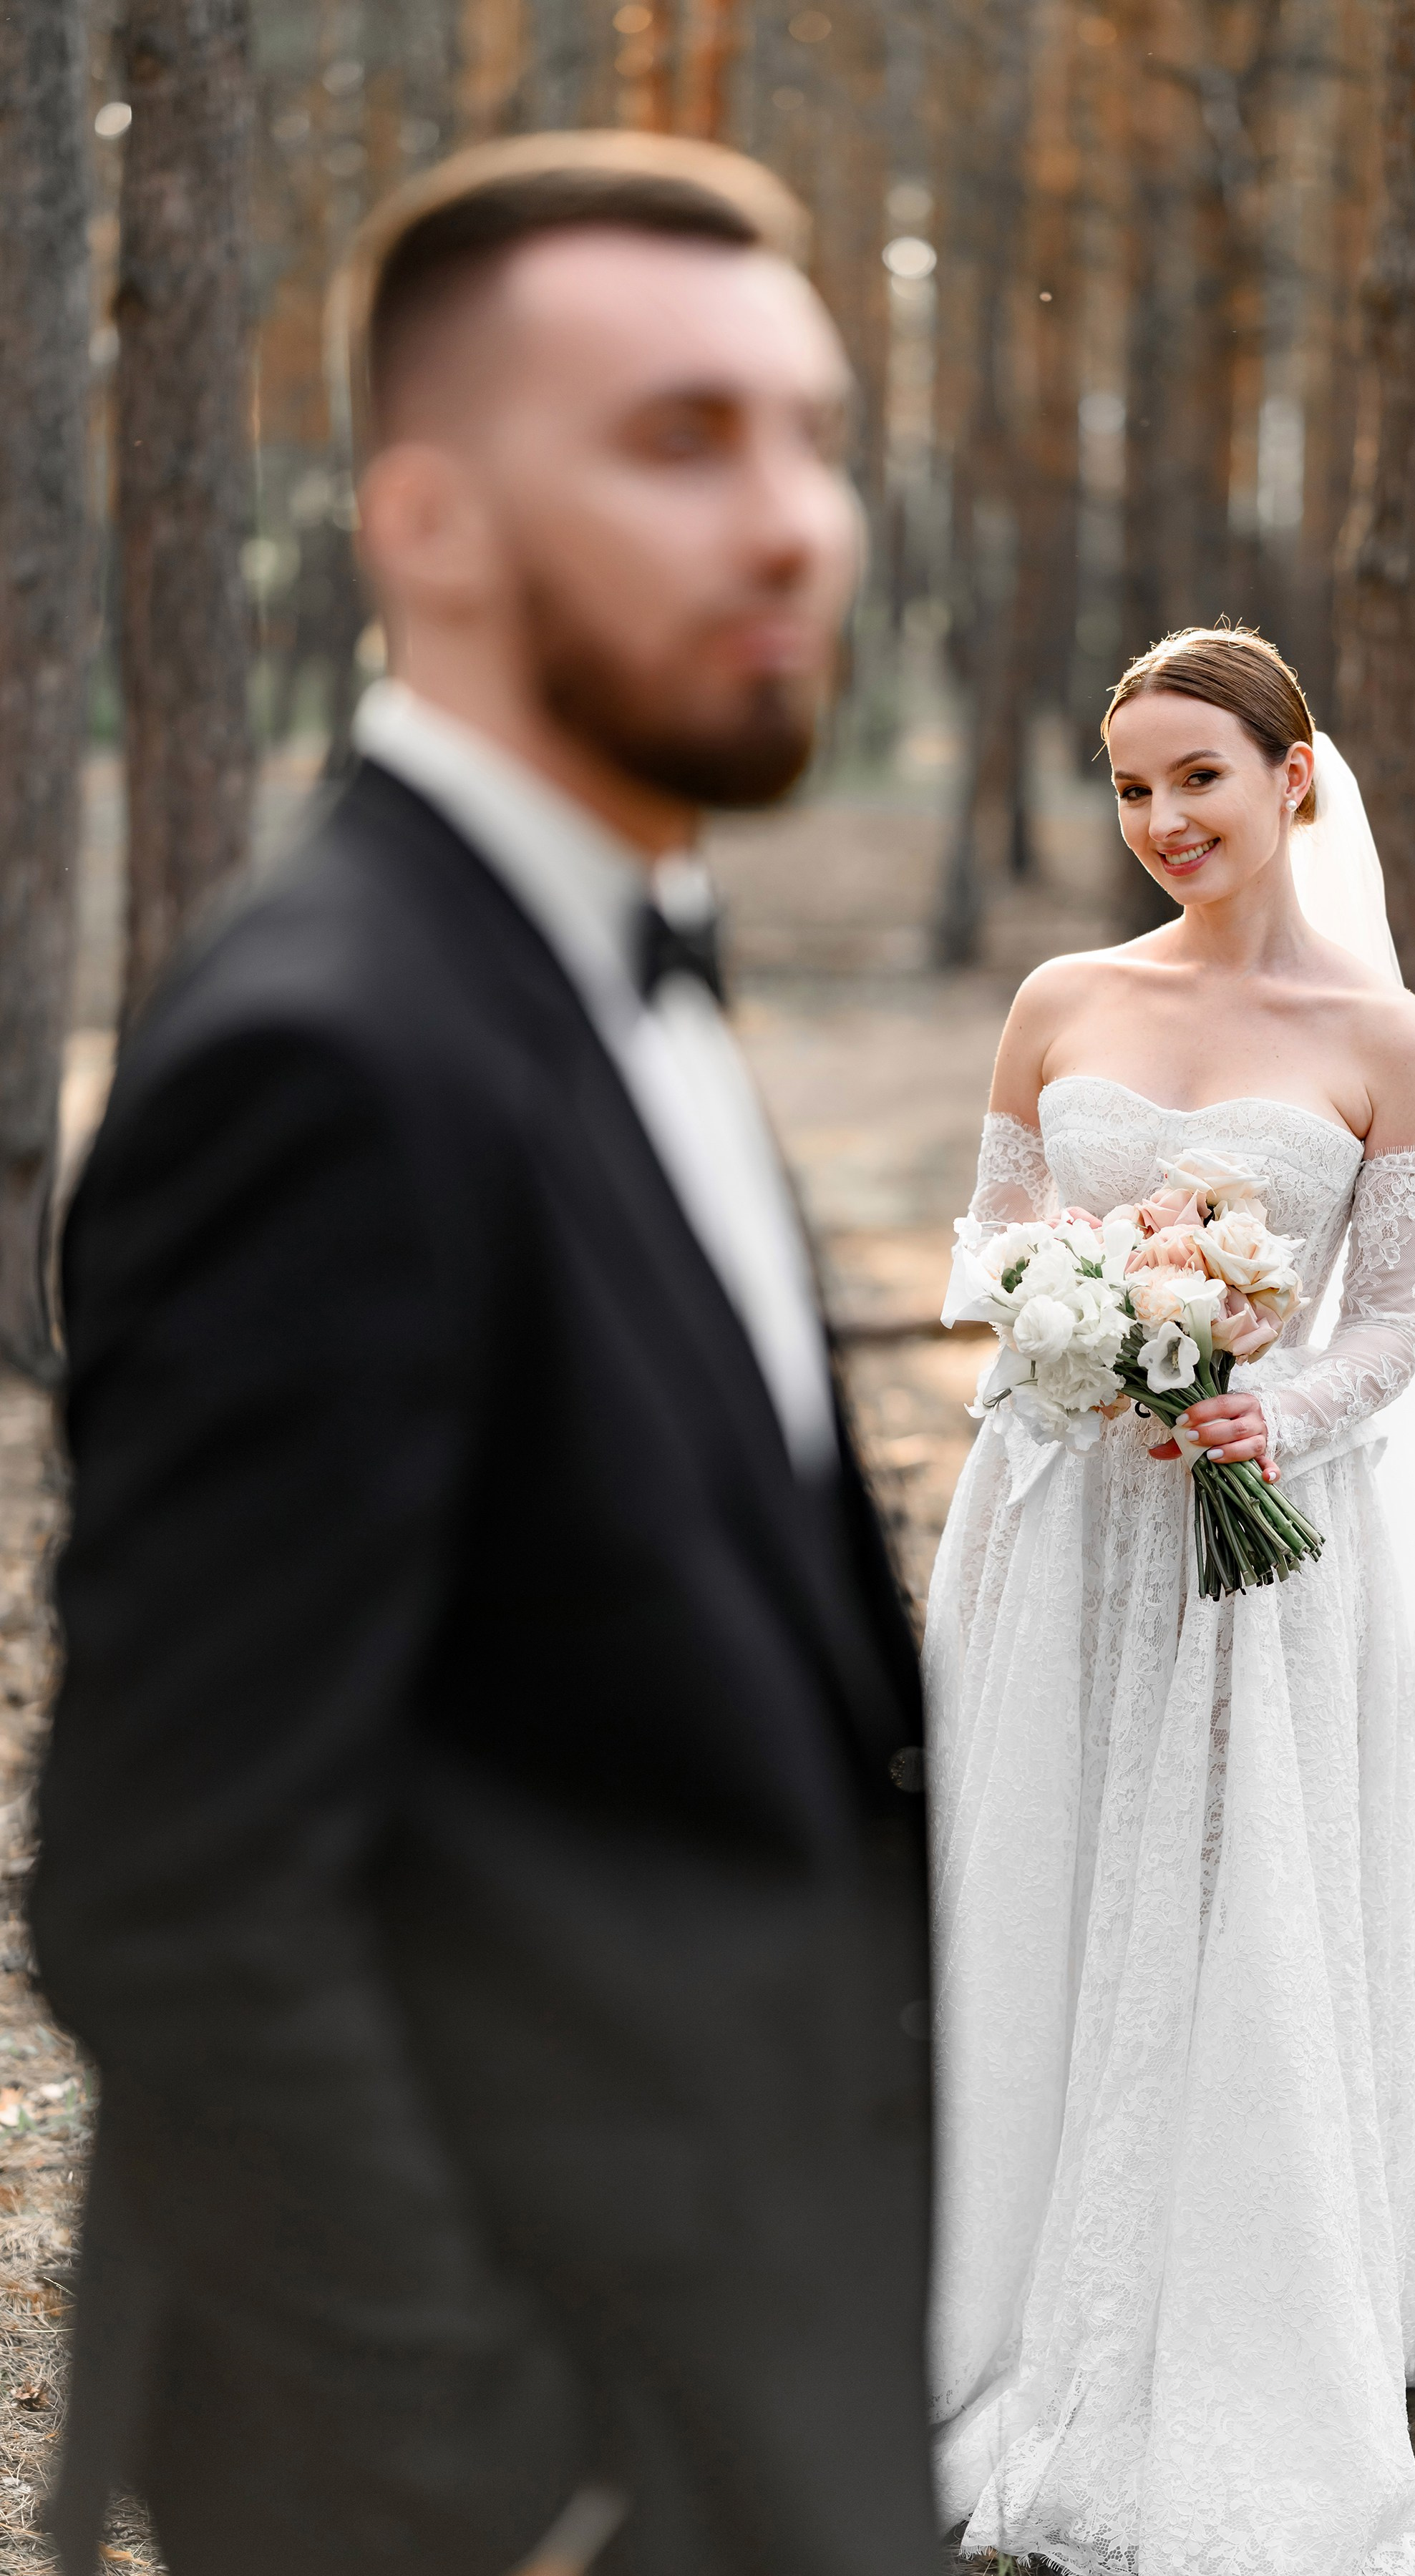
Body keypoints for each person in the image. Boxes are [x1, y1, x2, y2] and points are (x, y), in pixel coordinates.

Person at [33, 132, 935, 2576]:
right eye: (678, 441)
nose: (793, 523)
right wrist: (515, 2488)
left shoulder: (601, 958)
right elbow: (172, 1892)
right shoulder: (327, 1062)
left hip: (756, 2368)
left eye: (814, 437)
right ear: (424, 524)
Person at [925, 623, 1415, 2575]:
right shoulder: (1058, 1000)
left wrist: (1258, 1408)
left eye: (1200, 776)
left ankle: (1231, 2271)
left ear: (1293, 775)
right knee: (1049, 1867)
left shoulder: (1391, 1042)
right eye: (1133, 787)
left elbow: (1389, 1331)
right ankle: (1003, 2260)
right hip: (1061, 1526)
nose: (1164, 818)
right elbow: (994, 1244)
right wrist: (1076, 1325)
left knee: (1231, 1890)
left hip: (1256, 1542)